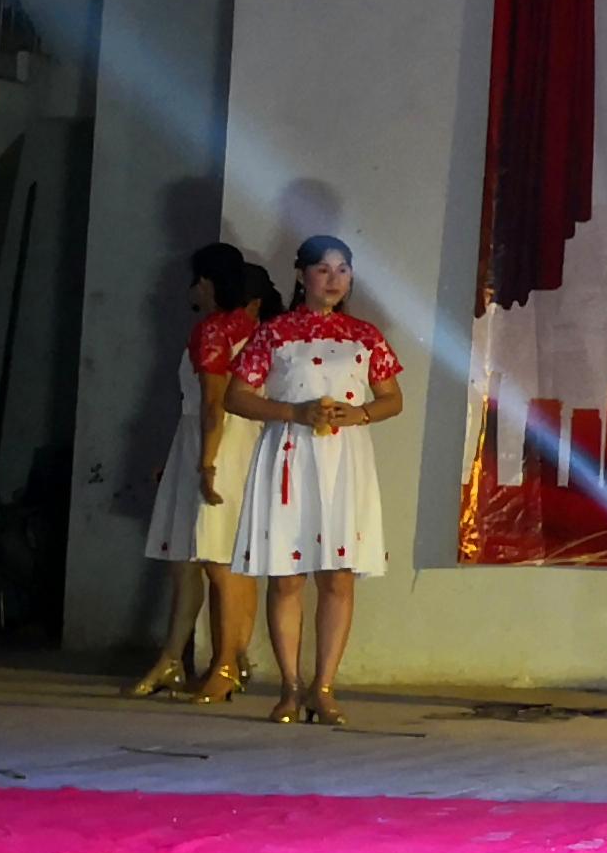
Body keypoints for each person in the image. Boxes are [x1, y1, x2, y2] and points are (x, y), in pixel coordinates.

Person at [222, 234, 405, 726]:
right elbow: (236, 396)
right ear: (302, 275)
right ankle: (289, 686)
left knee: (338, 576)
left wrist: (359, 414)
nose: (334, 279)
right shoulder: (275, 333)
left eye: (343, 269)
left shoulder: (365, 336)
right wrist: (294, 413)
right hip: (289, 453)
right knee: (286, 577)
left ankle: (324, 688)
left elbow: (392, 398)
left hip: (344, 458)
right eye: (323, 269)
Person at [131, 243, 274, 702]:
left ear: (208, 283)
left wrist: (206, 464)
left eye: (196, 280)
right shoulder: (254, 330)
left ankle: (225, 664)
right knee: (194, 558)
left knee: (218, 562)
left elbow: (214, 404)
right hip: (227, 442)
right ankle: (178, 658)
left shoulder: (214, 330)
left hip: (216, 443)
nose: (191, 289)